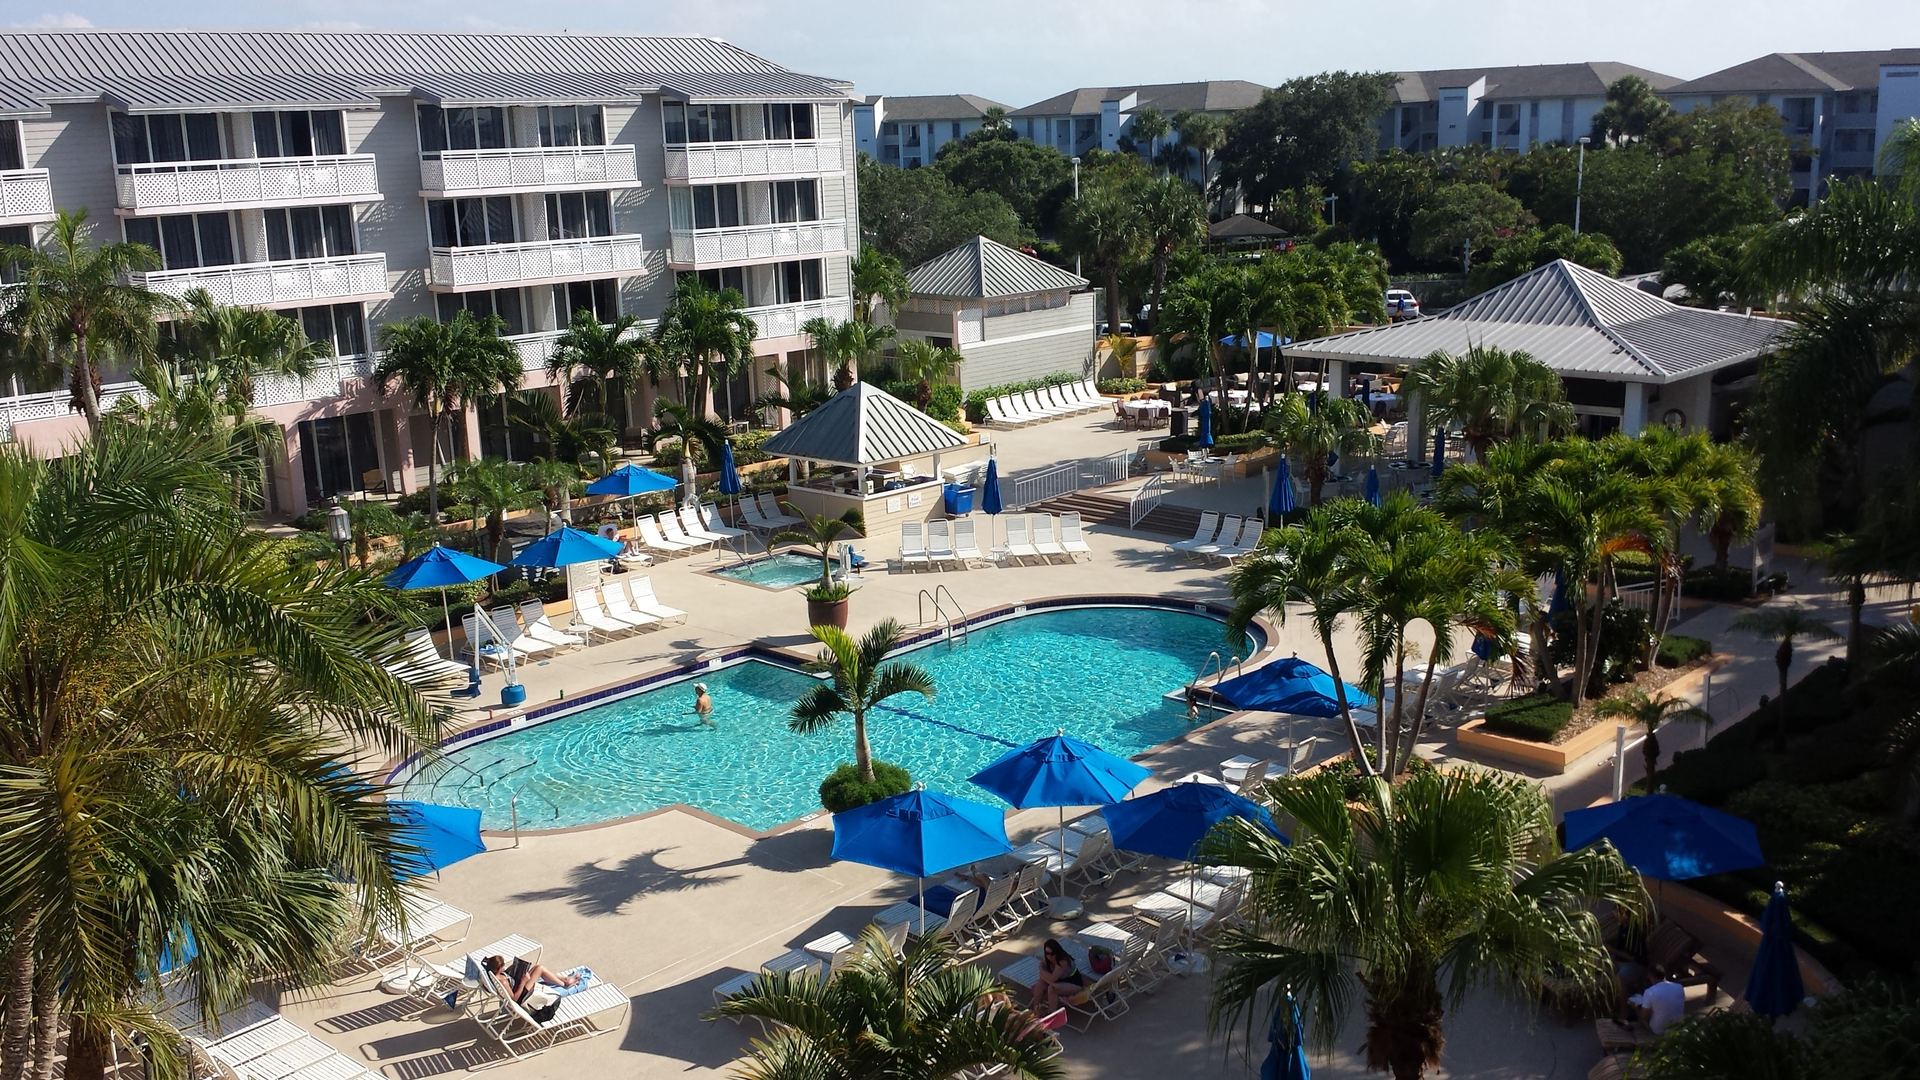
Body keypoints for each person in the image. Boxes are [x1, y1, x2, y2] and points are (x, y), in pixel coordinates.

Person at [481, 955, 582, 1005]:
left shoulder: (493, 974)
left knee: (537, 967)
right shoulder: (502, 981)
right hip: (522, 995)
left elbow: (505, 977)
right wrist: (523, 981)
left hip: (517, 985)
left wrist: (514, 968)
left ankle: (565, 979)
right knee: (539, 969)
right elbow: (514, 998)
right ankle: (564, 984)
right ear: (498, 968)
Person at [1030, 939, 1086, 1013]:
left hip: (1074, 983)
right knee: (1040, 983)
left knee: (1052, 988)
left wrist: (1040, 968)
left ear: (1057, 952)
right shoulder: (1046, 959)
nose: (1049, 956)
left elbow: (1051, 978)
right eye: (1047, 953)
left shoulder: (1063, 961)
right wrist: (1047, 978)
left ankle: (1052, 1013)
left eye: (1052, 954)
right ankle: (1036, 1010)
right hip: (1059, 981)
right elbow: (1043, 976)